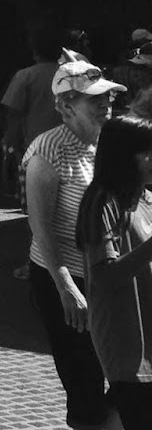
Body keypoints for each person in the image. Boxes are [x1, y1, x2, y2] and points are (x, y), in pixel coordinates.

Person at [24, 53, 120, 430]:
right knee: (84, 377)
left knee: (125, 370)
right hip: (66, 279)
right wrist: (65, 287)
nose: (106, 103)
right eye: (95, 99)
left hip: (105, 275)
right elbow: (41, 227)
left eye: (107, 96)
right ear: (66, 106)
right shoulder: (49, 150)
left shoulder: (107, 144)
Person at [77, 113, 152, 427]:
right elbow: (105, 278)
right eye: (148, 151)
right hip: (127, 346)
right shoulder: (102, 201)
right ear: (126, 157)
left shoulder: (146, 199)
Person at [4, 27, 67, 191]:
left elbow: (14, 115)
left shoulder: (25, 76)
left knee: (36, 198)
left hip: (35, 151)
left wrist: (12, 147)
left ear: (34, 51)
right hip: (68, 150)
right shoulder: (69, 75)